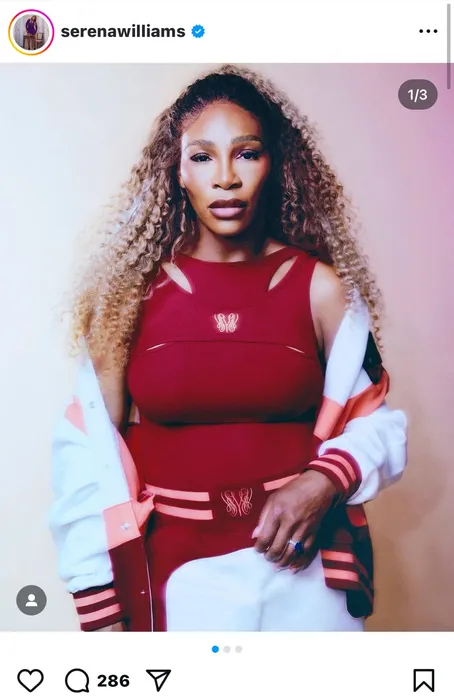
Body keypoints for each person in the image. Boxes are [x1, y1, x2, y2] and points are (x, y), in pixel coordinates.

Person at [49, 64, 407, 633]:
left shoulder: (322, 289)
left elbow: (381, 427)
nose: (225, 178)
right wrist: (97, 595)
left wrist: (324, 480)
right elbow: (85, 449)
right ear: (177, 171)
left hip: (306, 573)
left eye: (246, 153)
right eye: (202, 156)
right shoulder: (126, 298)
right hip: (177, 579)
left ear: (274, 165)